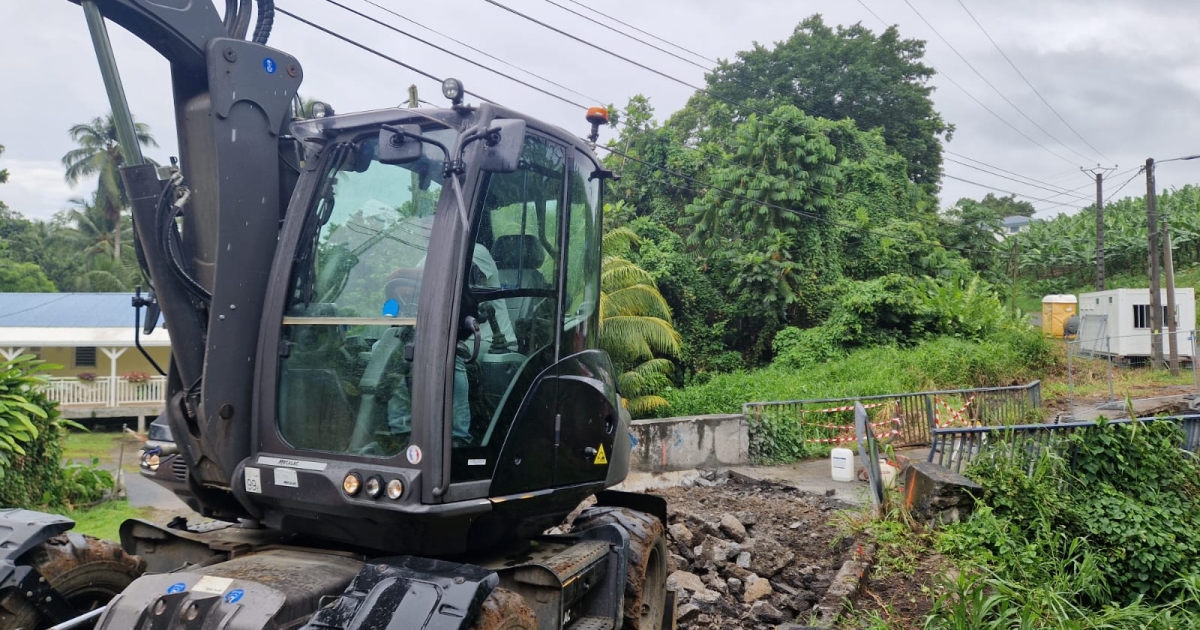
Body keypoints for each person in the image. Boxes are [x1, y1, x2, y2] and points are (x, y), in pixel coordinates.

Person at [382, 241, 514, 446]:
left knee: (449, 354)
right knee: (388, 346)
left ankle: (458, 436)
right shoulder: (429, 255)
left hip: (482, 336)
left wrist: (401, 272)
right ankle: (400, 431)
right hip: (439, 333)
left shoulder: (476, 250)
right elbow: (409, 288)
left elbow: (453, 274)